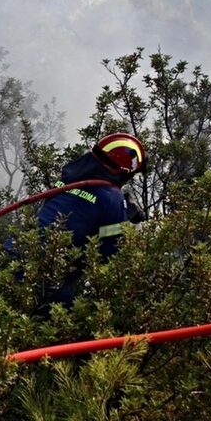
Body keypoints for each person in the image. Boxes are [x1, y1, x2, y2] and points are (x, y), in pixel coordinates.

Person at [31, 132, 147, 308]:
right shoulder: (112, 198)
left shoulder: (65, 183)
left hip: (17, 253)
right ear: (123, 172)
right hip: (49, 280)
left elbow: (78, 213)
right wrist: (125, 220)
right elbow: (111, 254)